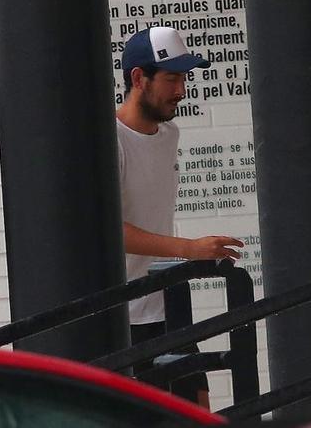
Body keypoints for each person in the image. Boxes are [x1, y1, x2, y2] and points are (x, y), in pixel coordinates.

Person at [117, 27, 244, 407]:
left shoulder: (169, 134)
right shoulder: (109, 140)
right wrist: (189, 248)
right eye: (172, 79)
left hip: (168, 297)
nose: (181, 90)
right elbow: (108, 231)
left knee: (197, 406)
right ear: (139, 79)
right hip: (126, 312)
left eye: (183, 79)